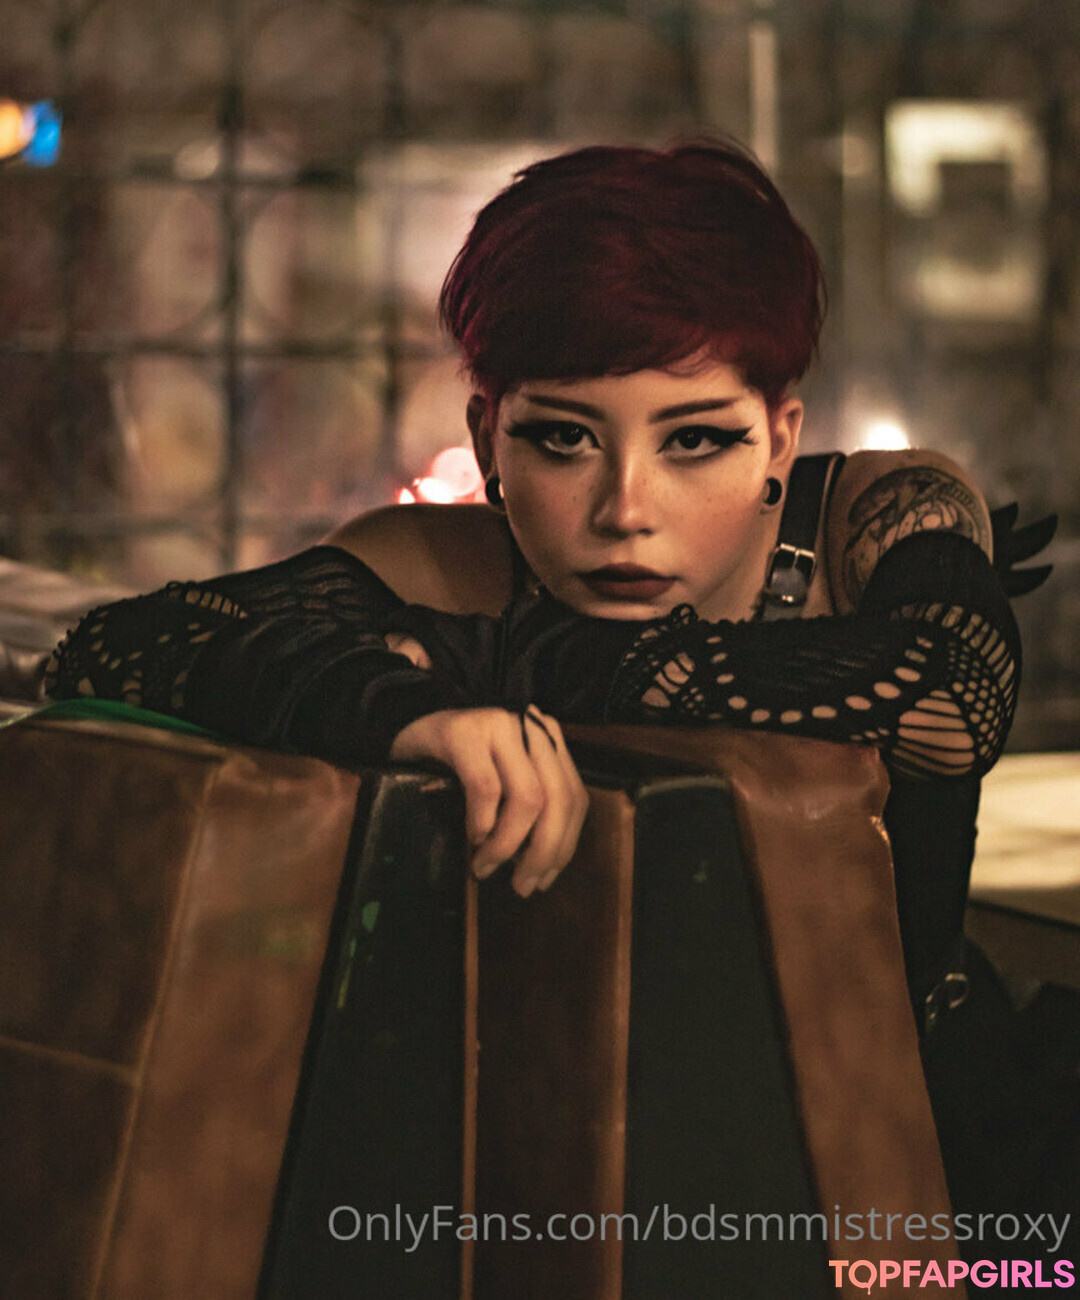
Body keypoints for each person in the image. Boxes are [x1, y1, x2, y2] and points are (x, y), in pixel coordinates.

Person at [45, 141, 1070, 1266]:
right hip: (554, 1167)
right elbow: (117, 645)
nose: (625, 507)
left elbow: (954, 697)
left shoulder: (877, 511)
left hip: (943, 1145)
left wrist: (501, 663)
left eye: (696, 440)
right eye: (565, 438)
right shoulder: (438, 560)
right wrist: (404, 709)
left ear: (780, 437)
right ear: (487, 435)